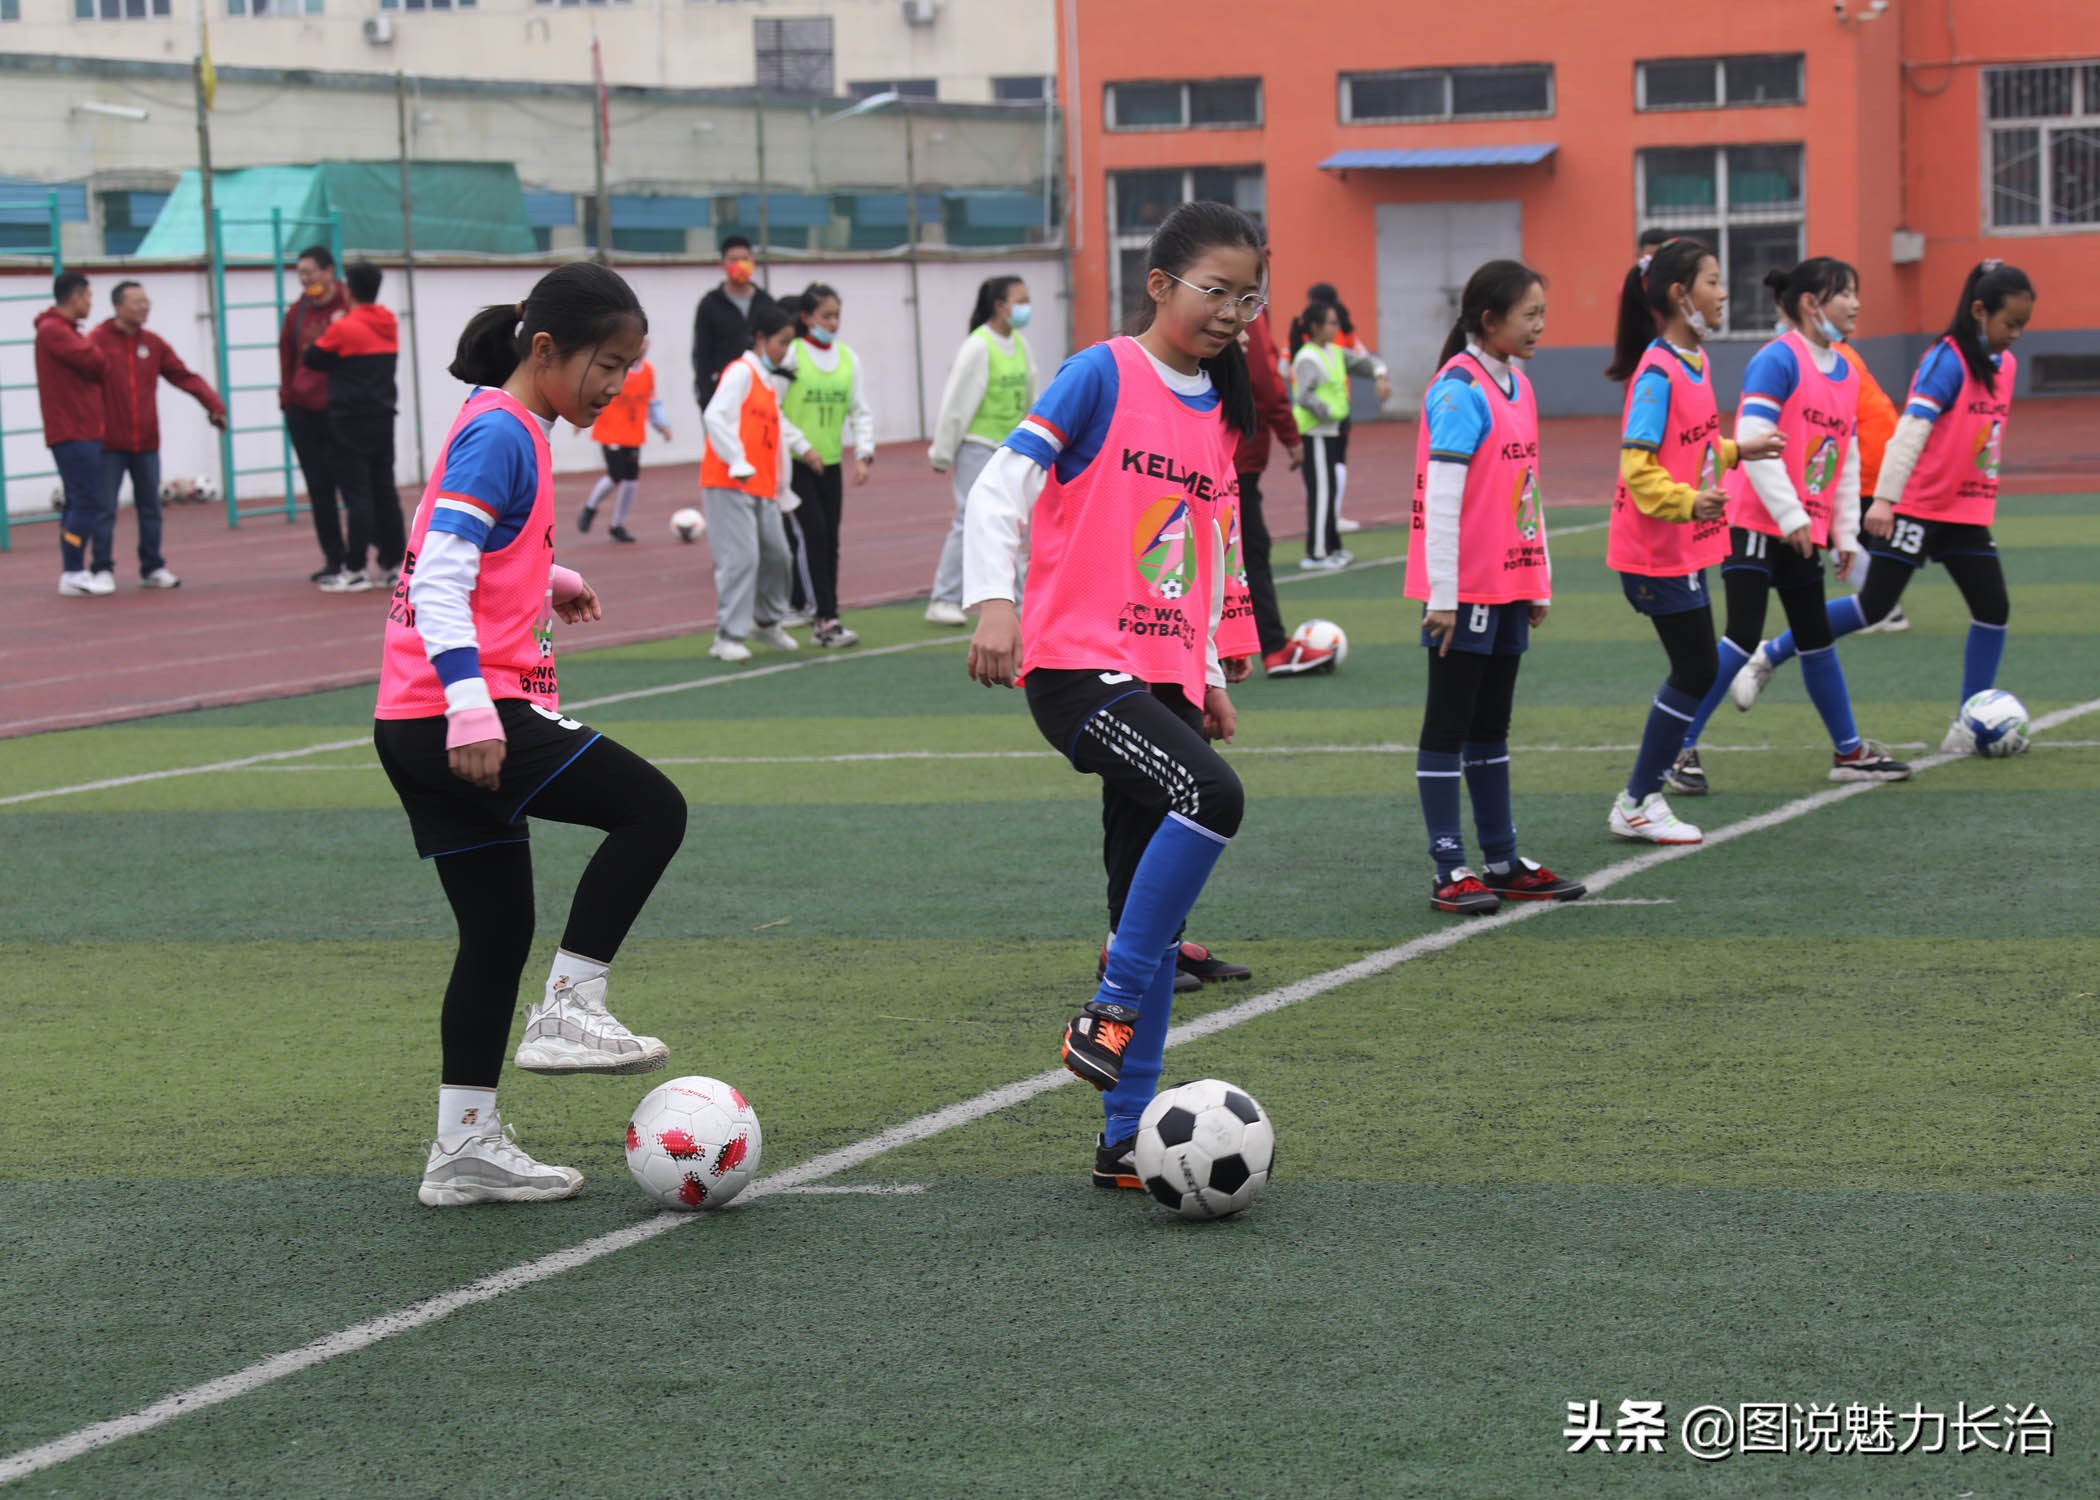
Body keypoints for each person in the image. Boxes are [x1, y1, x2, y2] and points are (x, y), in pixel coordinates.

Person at [374, 262, 689, 1207]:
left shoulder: (500, 420)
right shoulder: (503, 432)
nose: (618, 385)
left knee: (497, 929)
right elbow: (434, 577)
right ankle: (571, 1008)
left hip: (410, 720)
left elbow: (459, 543)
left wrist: (545, 575)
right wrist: (472, 706)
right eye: (609, 364)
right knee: (652, 811)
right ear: (545, 349)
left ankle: (462, 1148)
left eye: (631, 369)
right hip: (467, 715)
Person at [962, 200, 1261, 1192]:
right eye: (1214, 291)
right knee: (1213, 800)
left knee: (1157, 906)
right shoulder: (1101, 373)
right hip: (1079, 670)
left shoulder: (1216, 410)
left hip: (1166, 678)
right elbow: (1001, 485)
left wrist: (1210, 673)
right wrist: (995, 604)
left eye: (1246, 298)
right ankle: (1113, 999)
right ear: (1161, 285)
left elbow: (1206, 549)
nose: (1230, 313)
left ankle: (1123, 1140)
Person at [1731, 261, 2037, 751]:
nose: (2016, 335)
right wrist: (1888, 501)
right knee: (1873, 606)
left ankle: (1967, 722)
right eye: (2010, 324)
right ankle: (1769, 654)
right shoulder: (1947, 360)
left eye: (2024, 325)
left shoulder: (2007, 365)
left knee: (1993, 608)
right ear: (1979, 311)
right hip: (1916, 506)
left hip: (1965, 512)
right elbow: (1911, 432)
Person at [1674, 257, 1911, 785]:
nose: (1855, 303)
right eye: (1844, 293)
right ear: (1811, 304)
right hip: (1755, 520)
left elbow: (1845, 458)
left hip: (1802, 527)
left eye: (1855, 292)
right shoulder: (1775, 361)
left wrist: (1843, 530)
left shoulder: (1846, 371)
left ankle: (1848, 753)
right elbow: (1756, 438)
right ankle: (1678, 746)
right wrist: (1788, 513)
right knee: (1741, 634)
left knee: (1815, 638)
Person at [1408, 260, 1587, 915]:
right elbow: (1444, 501)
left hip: (1509, 585)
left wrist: (1538, 579)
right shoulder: (1458, 390)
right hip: (1466, 591)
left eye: (1542, 312)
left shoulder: (1519, 384)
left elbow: (1527, 492)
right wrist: (1444, 597)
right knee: (1448, 724)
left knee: (1492, 726)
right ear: (1489, 321)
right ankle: (1449, 867)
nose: (1541, 325)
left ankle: (1504, 859)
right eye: (1529, 314)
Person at [1601, 238, 1781, 841]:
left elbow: (1691, 446)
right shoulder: (1657, 371)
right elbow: (1639, 464)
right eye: (1712, 280)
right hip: (1656, 548)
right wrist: (1687, 502)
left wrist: (1734, 450)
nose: (1723, 292)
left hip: (1686, 542)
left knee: (1697, 666)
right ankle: (1638, 799)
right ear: (1681, 295)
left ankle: (1641, 796)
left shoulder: (1693, 362)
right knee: (1697, 666)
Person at [89, 280, 229, 591]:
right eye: (136, 302)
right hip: (108, 443)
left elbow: (182, 375)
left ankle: (152, 567)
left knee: (150, 506)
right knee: (105, 508)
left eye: (146, 301)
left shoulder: (152, 344)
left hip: (146, 442)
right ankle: (101, 568)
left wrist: (214, 405)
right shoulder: (97, 341)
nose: (144, 307)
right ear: (117, 306)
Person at [700, 302, 820, 663]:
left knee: (777, 554)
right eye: (782, 342)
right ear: (761, 339)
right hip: (729, 482)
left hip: (764, 487)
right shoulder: (740, 372)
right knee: (741, 558)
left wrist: (793, 465)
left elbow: (777, 431)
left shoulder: (767, 383)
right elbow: (714, 416)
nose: (786, 351)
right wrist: (736, 460)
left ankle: (767, 622)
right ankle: (728, 635)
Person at [926, 275, 1038, 626]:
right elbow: (956, 404)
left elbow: (1033, 397)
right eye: (1019, 300)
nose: (1025, 307)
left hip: (1012, 448)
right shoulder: (978, 346)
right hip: (978, 445)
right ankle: (943, 598)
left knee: (1016, 523)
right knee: (968, 520)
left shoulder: (1020, 344)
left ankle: (1020, 600)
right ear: (1000, 306)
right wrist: (942, 452)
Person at [781, 282, 876, 648]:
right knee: (813, 536)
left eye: (837, 315)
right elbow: (773, 410)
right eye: (826, 316)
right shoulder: (791, 356)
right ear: (806, 318)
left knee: (830, 541)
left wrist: (864, 454)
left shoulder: (848, 359)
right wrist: (803, 447)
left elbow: (860, 411)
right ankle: (820, 616)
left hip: (831, 465)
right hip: (796, 465)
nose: (834, 322)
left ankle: (828, 615)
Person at [304, 258, 405, 594]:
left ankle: (356, 567)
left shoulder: (344, 326)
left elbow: (313, 357)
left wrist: (330, 327)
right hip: (383, 417)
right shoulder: (389, 322)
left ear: (349, 288)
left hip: (349, 421)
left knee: (357, 497)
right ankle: (394, 564)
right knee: (386, 494)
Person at [1236, 295, 1307, 675]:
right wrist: (1289, 432)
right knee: (1248, 548)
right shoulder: (1243, 302)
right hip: (1233, 451)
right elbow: (1264, 377)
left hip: (1215, 448)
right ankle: (1273, 646)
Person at [1292, 301, 1388, 571]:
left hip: (1329, 432)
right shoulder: (1308, 357)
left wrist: (1380, 374)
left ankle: (1332, 547)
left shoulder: (1334, 352)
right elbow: (1304, 396)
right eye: (1331, 323)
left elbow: (1363, 363)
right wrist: (1330, 412)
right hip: (1316, 432)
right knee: (1321, 492)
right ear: (1315, 327)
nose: (1336, 328)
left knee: (1329, 490)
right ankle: (1317, 553)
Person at [36, 271, 111, 597]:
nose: (90, 303)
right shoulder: (55, 331)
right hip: (73, 430)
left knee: (78, 501)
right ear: (75, 297)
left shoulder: (65, 331)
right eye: (88, 296)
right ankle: (73, 570)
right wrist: (94, 347)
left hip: (81, 428)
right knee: (86, 500)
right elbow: (95, 361)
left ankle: (73, 568)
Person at [279, 244, 351, 582]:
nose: (306, 281)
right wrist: (287, 395)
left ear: (329, 271)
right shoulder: (297, 312)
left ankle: (362, 558)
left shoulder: (350, 307)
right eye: (301, 275)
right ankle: (333, 558)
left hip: (341, 410)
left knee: (354, 486)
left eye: (311, 273)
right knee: (319, 488)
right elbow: (286, 355)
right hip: (303, 410)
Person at [576, 338, 671, 543]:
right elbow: (593, 391)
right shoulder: (614, 369)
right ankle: (590, 507)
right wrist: (578, 415)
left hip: (633, 433)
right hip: (611, 432)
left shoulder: (647, 371)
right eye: (640, 343)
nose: (643, 347)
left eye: (646, 343)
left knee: (631, 480)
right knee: (616, 474)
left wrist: (662, 426)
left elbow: (652, 401)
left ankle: (617, 525)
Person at [690, 235, 778, 409]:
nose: (740, 264)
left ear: (753, 262)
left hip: (759, 393)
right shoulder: (710, 304)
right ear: (723, 264)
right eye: (734, 260)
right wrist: (706, 396)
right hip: (723, 394)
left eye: (744, 259)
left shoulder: (766, 302)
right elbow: (702, 354)